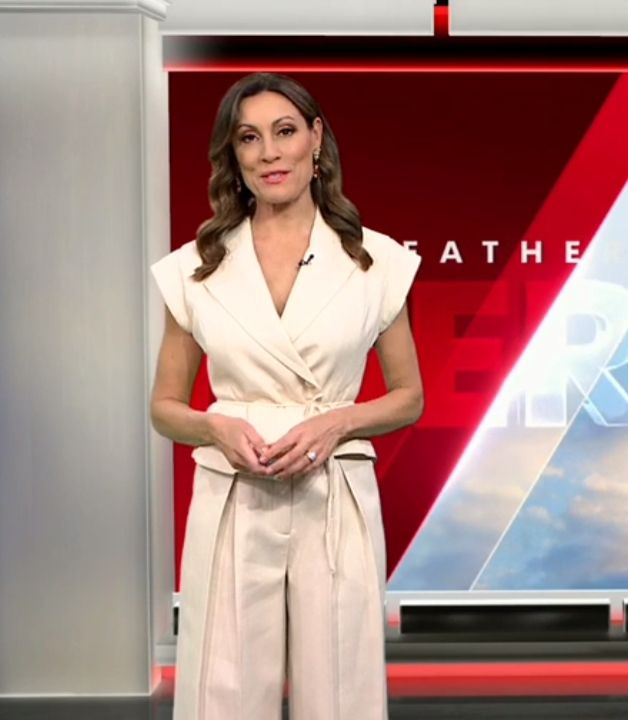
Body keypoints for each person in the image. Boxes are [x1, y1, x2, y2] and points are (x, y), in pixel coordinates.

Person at [149, 71, 424, 720]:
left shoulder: (376, 262)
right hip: (234, 492)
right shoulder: (196, 267)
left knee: (340, 689)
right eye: (249, 138)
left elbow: (408, 396)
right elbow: (165, 406)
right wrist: (215, 428)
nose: (269, 152)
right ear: (233, 154)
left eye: (284, 132)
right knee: (225, 689)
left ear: (316, 139)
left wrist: (339, 423)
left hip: (335, 490)